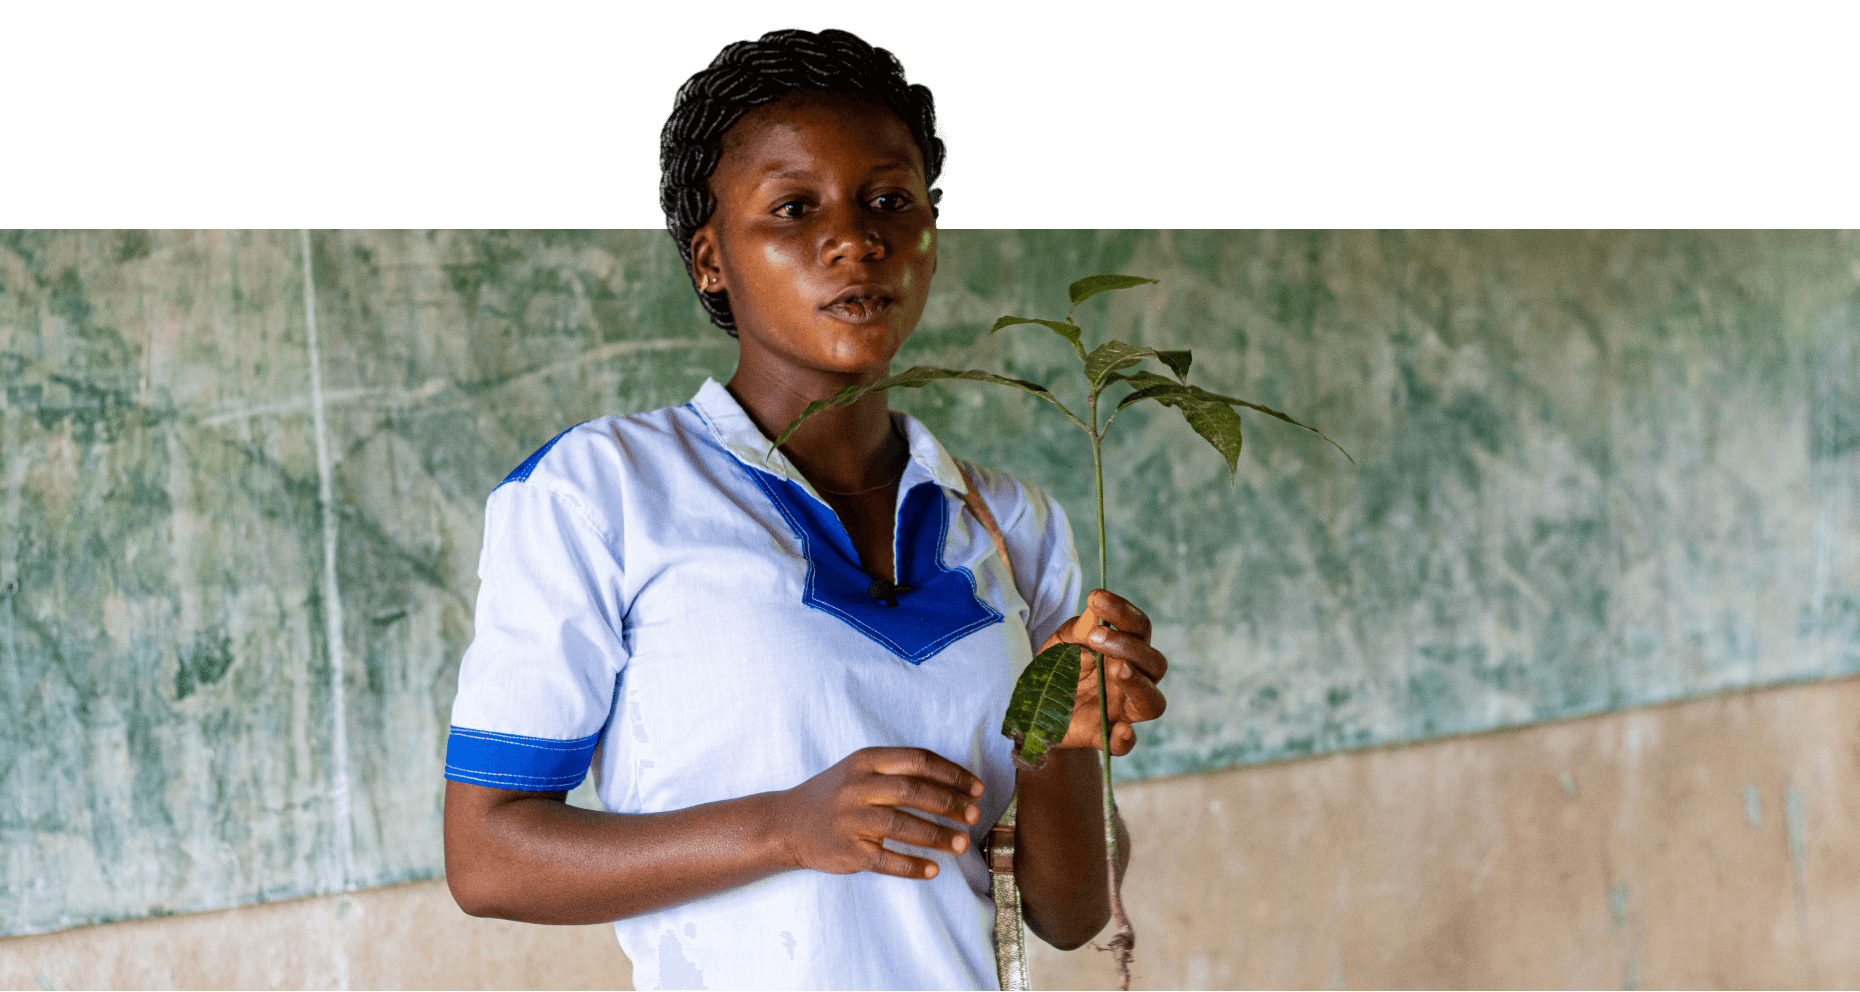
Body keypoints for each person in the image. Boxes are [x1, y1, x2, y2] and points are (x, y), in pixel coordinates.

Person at [441, 27, 1169, 990]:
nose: (855, 240)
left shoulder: (1008, 522)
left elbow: (1071, 916)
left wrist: (1063, 742)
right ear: (710, 259)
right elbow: (489, 858)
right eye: (793, 207)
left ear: (929, 234)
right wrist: (784, 826)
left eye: (889, 201)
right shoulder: (602, 491)